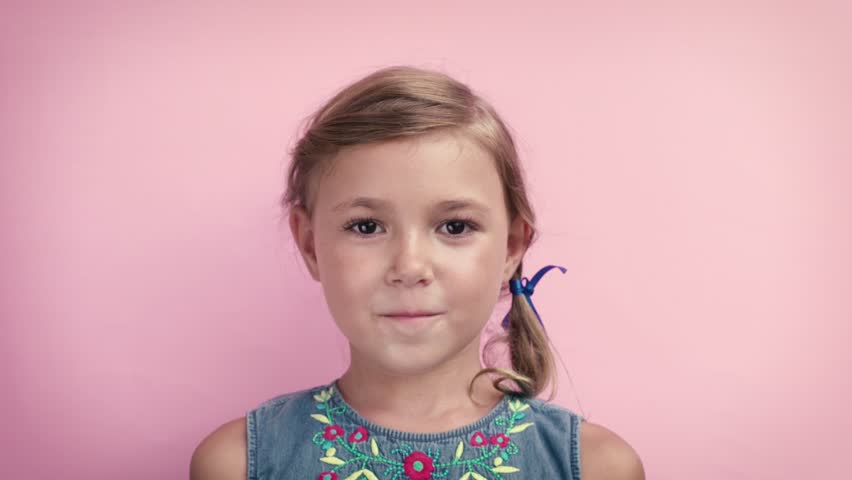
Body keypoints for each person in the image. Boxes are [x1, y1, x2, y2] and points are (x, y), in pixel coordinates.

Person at [191, 65, 644, 480]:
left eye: (455, 226)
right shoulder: (239, 463)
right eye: (366, 227)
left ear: (511, 247)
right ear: (310, 244)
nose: (409, 268)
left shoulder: (595, 467)